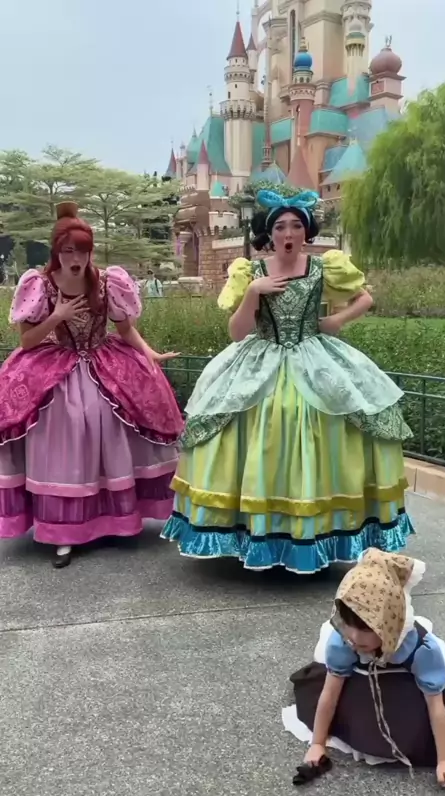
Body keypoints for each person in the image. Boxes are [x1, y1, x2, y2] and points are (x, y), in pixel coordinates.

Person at [162, 188, 414, 573]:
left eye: (296, 225)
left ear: (306, 231)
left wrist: (335, 321)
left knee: (331, 422)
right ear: (270, 232)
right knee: (257, 424)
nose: (288, 233)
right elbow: (236, 333)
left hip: (314, 357)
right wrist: (253, 293)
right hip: (260, 357)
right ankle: (255, 528)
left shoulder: (324, 267)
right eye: (280, 226)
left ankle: (316, 526)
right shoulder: (251, 273)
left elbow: (364, 298)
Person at [0, 202, 183, 567]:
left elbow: (125, 329)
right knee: (66, 426)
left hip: (103, 359)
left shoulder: (107, 281)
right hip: (57, 363)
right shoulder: (40, 285)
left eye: (83, 251)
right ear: (57, 251)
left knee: (110, 422)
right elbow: (27, 341)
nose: (77, 258)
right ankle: (63, 531)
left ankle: (112, 518)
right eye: (69, 251)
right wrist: (57, 316)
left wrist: (150, 353)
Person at [282, 548, 445, 785]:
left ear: (388, 624)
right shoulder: (343, 640)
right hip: (360, 678)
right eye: (348, 626)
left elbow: (436, 705)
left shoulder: (422, 650)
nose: (355, 638)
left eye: (366, 628)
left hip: (406, 673)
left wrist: (444, 760)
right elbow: (330, 693)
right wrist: (317, 743)